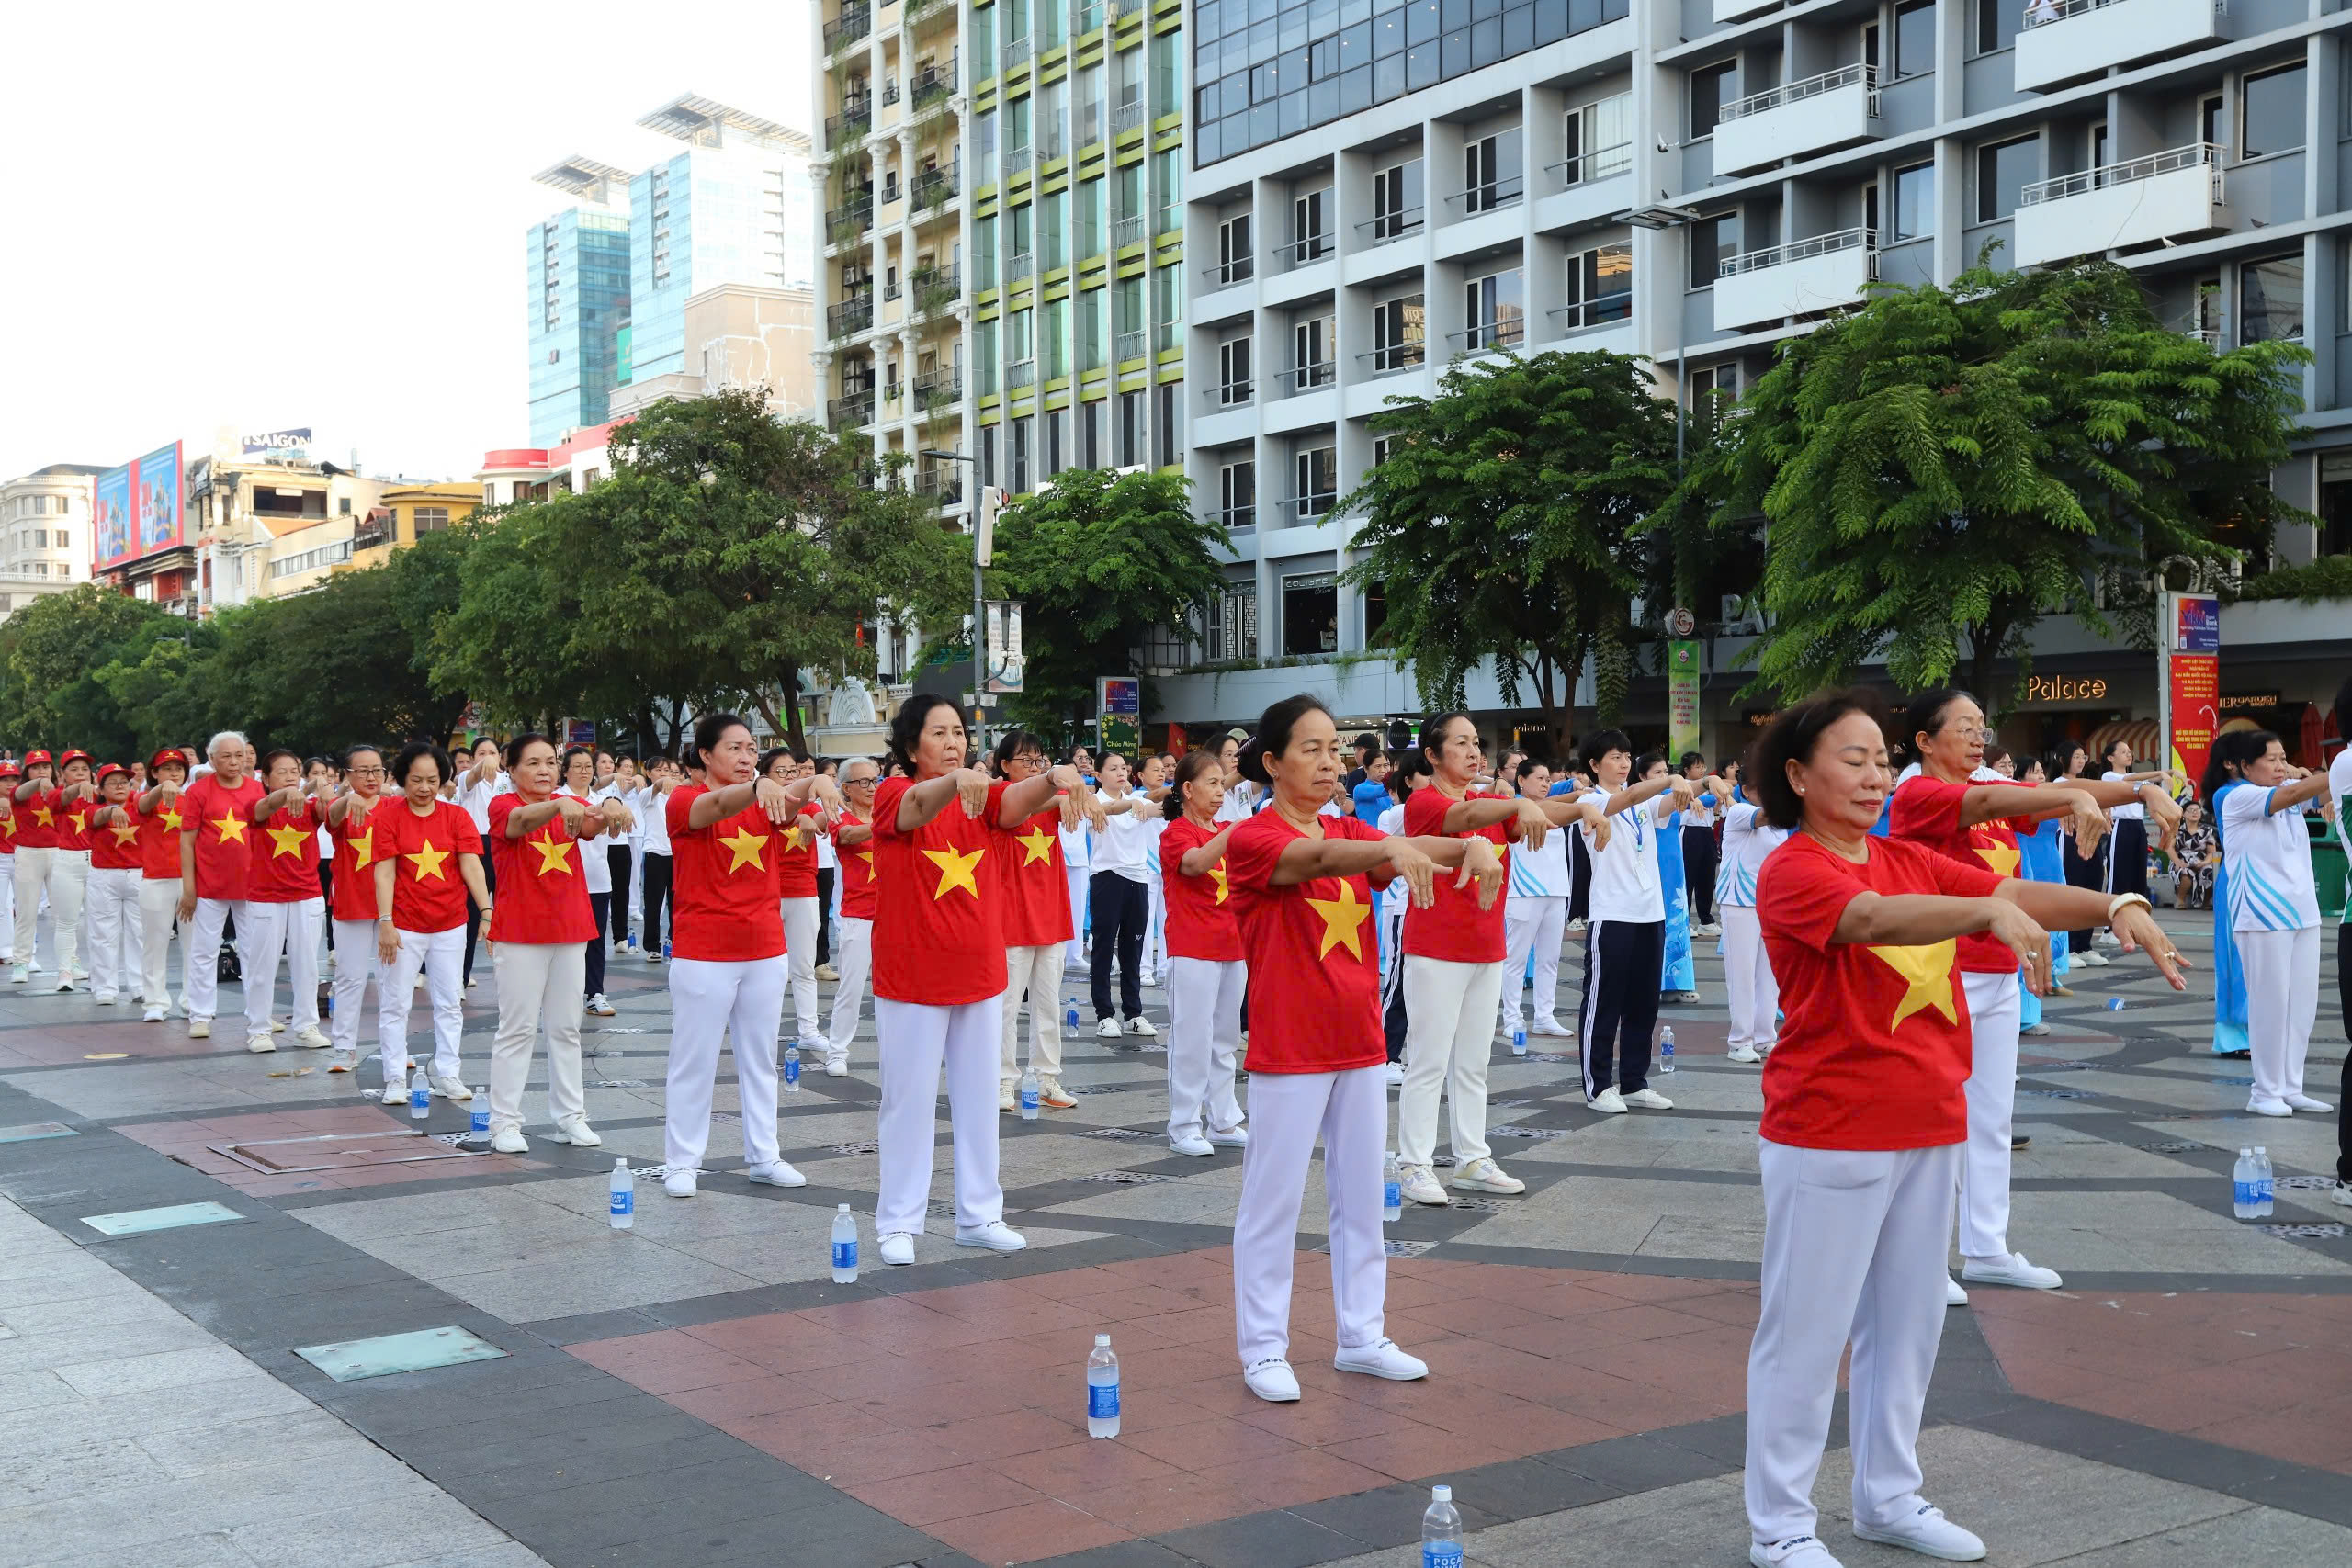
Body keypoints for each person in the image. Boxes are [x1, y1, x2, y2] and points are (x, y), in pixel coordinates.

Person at [1743, 690, 2185, 1568]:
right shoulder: (1793, 868)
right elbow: (1867, 921)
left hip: (1929, 1120)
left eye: (1879, 761)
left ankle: (1889, 1497)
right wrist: (1983, 913)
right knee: (1807, 1331)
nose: (1873, 777)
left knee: (1908, 1326)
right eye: (1851, 760)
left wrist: (2115, 906)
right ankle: (1782, 1526)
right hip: (1830, 1128)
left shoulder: (1906, 857)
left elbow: (2011, 888)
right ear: (1798, 775)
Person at [1224, 694, 1501, 1403]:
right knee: (1273, 1201)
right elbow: (1318, 856)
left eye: (1332, 749)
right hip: (1291, 1046)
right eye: (1310, 749)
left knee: (1360, 1199)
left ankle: (1361, 1335)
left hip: (1359, 1039)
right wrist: (1392, 847)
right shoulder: (1255, 839)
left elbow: (1401, 850)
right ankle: (1262, 1347)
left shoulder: (1350, 825)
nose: (1328, 761)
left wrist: (1469, 844)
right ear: (1271, 762)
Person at [1889, 689, 2186, 1297]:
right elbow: (2000, 796)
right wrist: (2077, 792)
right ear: (1924, 740)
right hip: (1938, 973)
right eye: (1965, 728)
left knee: (1992, 1116)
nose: (1979, 737)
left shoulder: (1987, 787)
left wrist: (2137, 789)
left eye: (1983, 726)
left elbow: (2032, 797)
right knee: (1933, 1117)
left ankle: (1986, 1247)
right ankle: (1917, 1261)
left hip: (1996, 969)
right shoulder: (1919, 793)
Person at [868, 694, 1085, 1264]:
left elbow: (1014, 802)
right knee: (908, 1103)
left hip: (980, 972)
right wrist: (958, 779)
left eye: (959, 732)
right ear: (912, 744)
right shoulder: (895, 792)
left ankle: (981, 1214)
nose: (953, 742)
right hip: (913, 975)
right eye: (938, 733)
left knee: (977, 1101)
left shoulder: (982, 796)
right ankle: (898, 1221)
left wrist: (1056, 779)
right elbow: (915, 805)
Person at [1396, 715, 1603, 1206]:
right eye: (1460, 744)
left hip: (1487, 946)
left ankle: (1471, 1157)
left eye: (1476, 744)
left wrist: (1587, 810)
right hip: (1436, 950)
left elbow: (1540, 813)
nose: (1473, 752)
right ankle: (1414, 1163)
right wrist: (1517, 803)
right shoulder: (1425, 804)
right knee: (1427, 1061)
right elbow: (1468, 822)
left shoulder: (1489, 802)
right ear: (1432, 755)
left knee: (1473, 1062)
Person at [659, 716, 839, 1197]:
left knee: (760, 1059)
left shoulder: (768, 800)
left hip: (763, 949)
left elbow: (800, 797)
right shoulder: (684, 801)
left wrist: (816, 780)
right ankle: (681, 1162)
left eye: (751, 749)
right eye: (735, 748)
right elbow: (716, 804)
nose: (745, 757)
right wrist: (764, 785)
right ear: (705, 756)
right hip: (704, 951)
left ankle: (765, 1155)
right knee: (693, 1061)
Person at [488, 734, 630, 1152]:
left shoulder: (566, 806)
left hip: (570, 929)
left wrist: (611, 806)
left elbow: (594, 821)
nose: (545, 770)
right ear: (511, 770)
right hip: (520, 933)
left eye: (550, 762)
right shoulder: (504, 807)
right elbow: (520, 823)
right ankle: (505, 1123)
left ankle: (571, 1117)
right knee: (516, 1029)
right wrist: (558, 803)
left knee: (566, 1029)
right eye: (532, 763)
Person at [1577, 731, 1700, 1113]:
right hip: (1612, 915)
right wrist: (1670, 778)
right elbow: (1628, 797)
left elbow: (1666, 800)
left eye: (1627, 755)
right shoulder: (1591, 801)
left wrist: (1704, 782)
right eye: (1615, 757)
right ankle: (1597, 1087)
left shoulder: (1642, 805)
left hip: (1651, 913)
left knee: (1643, 1003)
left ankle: (1633, 1081)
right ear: (1595, 765)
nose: (1624, 763)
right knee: (1603, 1001)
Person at [2218, 729, 2335, 1119]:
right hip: (2263, 915)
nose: (2280, 765)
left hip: (2303, 911)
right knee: (2270, 1004)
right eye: (2271, 759)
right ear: (2245, 766)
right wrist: (2332, 772)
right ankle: (2265, 1091)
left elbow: (2315, 795)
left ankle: (2291, 1086)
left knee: (2302, 1005)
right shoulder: (2238, 796)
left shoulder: (2286, 794)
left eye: (2283, 757)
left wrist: (2318, 780)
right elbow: (2290, 795)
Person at [372, 742, 492, 1105]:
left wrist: (486, 911)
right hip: (404, 925)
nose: (424, 788)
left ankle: (448, 1074)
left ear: (443, 780)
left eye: (432, 780)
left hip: (451, 923)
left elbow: (472, 866)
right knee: (395, 1003)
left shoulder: (456, 817)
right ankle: (395, 1078)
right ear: (402, 779)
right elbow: (384, 873)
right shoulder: (389, 817)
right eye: (416, 780)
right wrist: (386, 923)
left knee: (449, 1002)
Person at [1161, 750, 1247, 1156]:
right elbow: (1194, 865)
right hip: (1192, 948)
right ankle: (1183, 1124)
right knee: (1192, 1037)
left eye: (1221, 784)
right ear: (1187, 790)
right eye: (1211, 784)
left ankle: (1224, 1120)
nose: (1219, 792)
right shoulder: (1177, 833)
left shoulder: (1228, 828)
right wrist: (1230, 834)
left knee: (1225, 1039)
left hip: (1233, 945)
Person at [995, 730, 1086, 1111]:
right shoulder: (997, 799)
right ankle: (1001, 1081)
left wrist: (1078, 797)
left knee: (1048, 1003)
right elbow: (1022, 808)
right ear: (1004, 766)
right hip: (1012, 918)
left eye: (1039, 761)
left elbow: (1095, 803)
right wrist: (1060, 791)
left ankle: (1047, 1077)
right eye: (1026, 762)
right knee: (1006, 1006)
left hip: (1050, 914)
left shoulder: (1053, 800)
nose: (1035, 768)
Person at [175, 732, 265, 1038]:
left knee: (255, 952)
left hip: (252, 885)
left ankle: (259, 1014)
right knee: (204, 951)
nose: (234, 762)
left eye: (239, 755)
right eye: (226, 756)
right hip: (210, 885)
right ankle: (200, 1014)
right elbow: (186, 842)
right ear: (211, 759)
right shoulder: (199, 791)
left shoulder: (257, 789)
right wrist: (189, 889)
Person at [243, 749, 331, 1054]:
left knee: (307, 965)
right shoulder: (256, 805)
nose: (290, 776)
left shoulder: (308, 807)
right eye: (282, 772)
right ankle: (258, 1029)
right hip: (267, 896)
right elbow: (263, 808)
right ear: (265, 778)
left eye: (295, 771)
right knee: (261, 967)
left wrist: (323, 793)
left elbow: (328, 813)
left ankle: (307, 1026)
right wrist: (291, 793)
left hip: (307, 894)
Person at [323, 745, 390, 1076]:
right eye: (362, 771)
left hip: (391, 905)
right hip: (352, 902)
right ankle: (344, 1047)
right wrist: (344, 801)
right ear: (347, 776)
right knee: (350, 977)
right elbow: (331, 821)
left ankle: (395, 1047)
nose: (371, 777)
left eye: (377, 770)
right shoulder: (343, 807)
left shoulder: (395, 807)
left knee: (393, 979)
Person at [1498, 761, 1575, 1041]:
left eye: (1547, 779)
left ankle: (1544, 1016)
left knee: (1549, 959)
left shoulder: (1553, 807)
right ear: (1521, 781)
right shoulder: (1513, 808)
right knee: (1516, 959)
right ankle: (1512, 1018)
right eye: (1539, 778)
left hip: (1556, 891)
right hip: (1524, 892)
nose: (1545, 783)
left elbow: (1572, 802)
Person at [1716, 772, 1788, 1066]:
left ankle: (1765, 1036)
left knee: (1768, 977)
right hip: (1739, 903)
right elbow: (1765, 816)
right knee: (1742, 975)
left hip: (1770, 905)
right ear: (1747, 789)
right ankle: (1739, 1041)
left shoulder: (1780, 827)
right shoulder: (1739, 812)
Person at [761, 748, 826, 1055]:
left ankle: (809, 1031)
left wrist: (810, 816)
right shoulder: (758, 806)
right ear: (765, 778)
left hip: (802, 893)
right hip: (766, 895)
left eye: (794, 771)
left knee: (803, 967)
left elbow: (823, 822)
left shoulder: (809, 806)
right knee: (766, 971)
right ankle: (762, 1031)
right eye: (781, 772)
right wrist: (797, 816)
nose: (789, 777)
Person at [1088, 752, 1158, 1039]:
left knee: (1134, 949)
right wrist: (1133, 802)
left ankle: (1134, 1013)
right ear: (1098, 774)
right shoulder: (1094, 802)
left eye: (1124, 768)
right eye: (1113, 768)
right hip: (1108, 877)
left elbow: (1161, 806)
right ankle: (1104, 1014)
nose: (1120, 773)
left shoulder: (1141, 800)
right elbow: (1111, 811)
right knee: (1104, 948)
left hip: (1138, 879)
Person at [823, 757, 881, 1076]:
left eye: (875, 780)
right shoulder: (839, 815)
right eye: (864, 782)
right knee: (852, 986)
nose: (872, 787)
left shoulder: (887, 812)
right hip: (859, 915)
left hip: (895, 914)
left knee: (896, 990)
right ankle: (837, 1051)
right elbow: (846, 836)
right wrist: (884, 824)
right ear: (845, 788)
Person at [559, 746, 623, 1017]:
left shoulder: (604, 800)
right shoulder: (557, 799)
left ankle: (595, 993)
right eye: (577, 766)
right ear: (565, 771)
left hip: (597, 879)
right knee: (565, 941)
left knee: (596, 939)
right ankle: (561, 994)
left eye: (588, 766)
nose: (584, 771)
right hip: (564, 879)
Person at [84, 764, 146, 1009]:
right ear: (100, 788)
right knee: (102, 934)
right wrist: (112, 810)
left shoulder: (139, 805)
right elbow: (96, 818)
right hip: (104, 876)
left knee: (139, 934)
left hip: (139, 875)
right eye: (113, 783)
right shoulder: (93, 809)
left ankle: (140, 986)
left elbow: (150, 800)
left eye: (124, 782)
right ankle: (104, 988)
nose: (120, 786)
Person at [133, 750, 188, 1022]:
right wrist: (162, 788)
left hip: (190, 881)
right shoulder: (145, 798)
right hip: (156, 880)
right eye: (166, 768)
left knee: (194, 945)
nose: (174, 773)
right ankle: (154, 1001)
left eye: (178, 768)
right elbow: (144, 805)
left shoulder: (192, 799)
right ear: (153, 773)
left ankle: (193, 1001)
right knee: (155, 944)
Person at [454, 737, 507, 988]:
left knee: (507, 909)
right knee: (472, 912)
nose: (488, 757)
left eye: (493, 752)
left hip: (504, 845)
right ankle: (461, 978)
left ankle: (510, 975)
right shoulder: (465, 779)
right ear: (474, 758)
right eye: (482, 753)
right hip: (475, 846)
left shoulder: (508, 781)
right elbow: (472, 777)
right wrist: (480, 766)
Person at [9, 750, 63, 987]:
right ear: (27, 772)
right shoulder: (20, 794)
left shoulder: (58, 793)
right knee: (26, 912)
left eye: (46, 767)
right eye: (36, 767)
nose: (42, 771)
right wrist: (38, 783)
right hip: (28, 855)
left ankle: (69, 963)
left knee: (65, 914)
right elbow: (20, 791)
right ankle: (21, 961)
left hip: (59, 854)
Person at [49, 750, 98, 989]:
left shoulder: (100, 796)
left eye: (84, 770)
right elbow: (64, 797)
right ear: (62, 774)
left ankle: (101, 974)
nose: (80, 774)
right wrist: (79, 788)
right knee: (67, 922)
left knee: (99, 923)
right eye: (74, 770)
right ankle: (65, 972)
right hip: (68, 862)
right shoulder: (57, 795)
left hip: (99, 864)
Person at [635, 756, 678, 962]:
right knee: (653, 903)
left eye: (667, 770)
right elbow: (657, 787)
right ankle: (652, 946)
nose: (664, 774)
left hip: (677, 854)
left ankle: (675, 939)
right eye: (659, 770)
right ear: (649, 773)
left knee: (677, 902)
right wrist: (661, 783)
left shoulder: (676, 796)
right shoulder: (646, 795)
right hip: (655, 854)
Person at [599, 754, 639, 955]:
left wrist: (637, 778)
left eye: (609, 763)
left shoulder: (619, 785)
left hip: (620, 843)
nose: (607, 766)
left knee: (621, 892)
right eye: (602, 763)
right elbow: (600, 784)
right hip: (599, 846)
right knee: (600, 893)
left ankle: (620, 937)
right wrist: (613, 775)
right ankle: (594, 937)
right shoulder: (595, 787)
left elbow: (630, 787)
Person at [1679, 751, 1722, 937]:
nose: (1702, 770)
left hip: (1706, 831)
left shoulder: (1709, 786)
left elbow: (1715, 806)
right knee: (1688, 877)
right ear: (1687, 770)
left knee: (1707, 876)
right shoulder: (1684, 786)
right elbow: (1705, 801)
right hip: (1689, 831)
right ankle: (1684, 920)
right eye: (1697, 767)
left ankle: (1706, 920)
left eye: (1703, 767)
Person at [2171, 801, 2219, 910]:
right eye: (2191, 810)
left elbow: (2212, 852)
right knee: (2185, 873)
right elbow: (2169, 848)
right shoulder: (2177, 830)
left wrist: (2205, 863)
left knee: (2211, 873)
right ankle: (2180, 900)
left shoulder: (2207, 831)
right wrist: (2177, 862)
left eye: (2197, 810)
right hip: (2181, 861)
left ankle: (2206, 902)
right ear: (2183, 814)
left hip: (2201, 861)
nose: (2195, 812)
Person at [1350, 751, 1393, 825]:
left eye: (1386, 765)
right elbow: (1384, 789)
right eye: (1378, 766)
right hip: (1369, 836)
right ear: (1366, 768)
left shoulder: (1392, 788)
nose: (1382, 770)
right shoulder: (1360, 789)